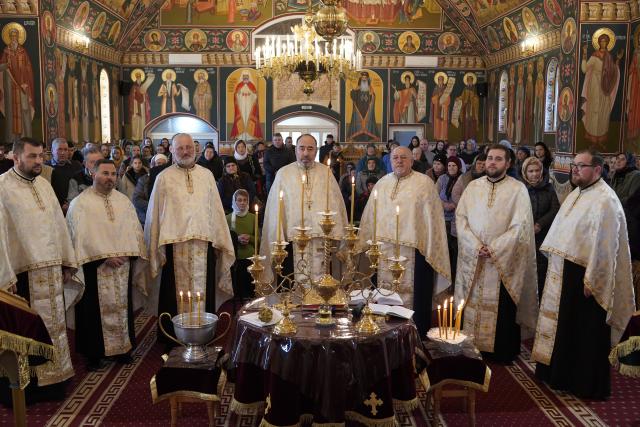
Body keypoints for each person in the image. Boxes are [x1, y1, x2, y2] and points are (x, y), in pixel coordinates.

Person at [533, 149, 635, 399]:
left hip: (586, 279)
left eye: (581, 165)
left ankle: (584, 384)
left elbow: (607, 245)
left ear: (597, 170)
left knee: (584, 331)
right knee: (564, 326)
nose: (575, 169)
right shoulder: (577, 193)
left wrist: (594, 280)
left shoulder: (606, 200)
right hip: (565, 270)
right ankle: (557, 374)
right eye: (574, 165)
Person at [0, 137, 78, 399]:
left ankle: (57, 379)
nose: (38, 161)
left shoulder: (44, 185)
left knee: (55, 325)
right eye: (32, 156)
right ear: (16, 156)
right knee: (26, 331)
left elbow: (59, 224)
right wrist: (5, 274)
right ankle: (29, 390)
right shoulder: (2, 188)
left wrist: (67, 260)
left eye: (40, 156)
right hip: (21, 274)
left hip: (52, 269)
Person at [143, 133, 235, 345]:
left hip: (204, 244)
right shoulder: (163, 178)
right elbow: (155, 214)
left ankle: (204, 333)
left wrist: (220, 239)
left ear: (196, 149)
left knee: (205, 292)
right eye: (180, 148)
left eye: (188, 147)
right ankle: (173, 338)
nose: (185, 151)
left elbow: (216, 211)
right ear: (172, 151)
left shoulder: (207, 176)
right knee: (172, 294)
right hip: (175, 246)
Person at [454, 144, 538, 363]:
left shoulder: (517, 189)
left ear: (508, 163)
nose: (492, 162)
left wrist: (495, 248)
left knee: (502, 307)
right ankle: (470, 345)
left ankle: (500, 351)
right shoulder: (473, 187)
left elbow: (521, 226)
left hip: (502, 260)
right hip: (475, 258)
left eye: (498, 159)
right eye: (490, 158)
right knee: (471, 301)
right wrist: (474, 245)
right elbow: (461, 218)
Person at [357, 146, 451, 335]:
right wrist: (361, 243)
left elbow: (434, 221)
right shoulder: (382, 183)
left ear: (411, 161)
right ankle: (381, 337)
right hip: (382, 252)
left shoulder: (425, 183)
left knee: (417, 299)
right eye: (395, 158)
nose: (399, 161)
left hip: (416, 252)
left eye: (403, 158)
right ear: (390, 161)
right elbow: (369, 216)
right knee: (381, 298)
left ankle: (415, 341)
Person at [66, 159, 146, 370]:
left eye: (113, 174)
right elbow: (78, 239)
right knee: (91, 312)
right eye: (105, 173)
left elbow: (134, 231)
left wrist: (130, 254)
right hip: (94, 268)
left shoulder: (123, 201)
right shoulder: (80, 204)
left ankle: (122, 349)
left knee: (122, 307)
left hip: (122, 266)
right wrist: (103, 257)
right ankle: (94, 354)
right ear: (93, 173)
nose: (110, 178)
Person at [259, 134, 348, 285]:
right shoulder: (283, 174)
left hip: (322, 241)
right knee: (290, 293)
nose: (305, 153)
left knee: (322, 289)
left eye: (310, 149)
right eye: (301, 148)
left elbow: (337, 205)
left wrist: (338, 234)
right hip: (291, 242)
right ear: (295, 150)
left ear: (316, 151)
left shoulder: (326, 173)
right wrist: (278, 235)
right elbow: (275, 210)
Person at [521, 157, 559, 296]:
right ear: (525, 172)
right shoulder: (520, 189)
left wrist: (540, 224)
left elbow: (555, 209)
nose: (534, 174)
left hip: (543, 236)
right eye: (531, 171)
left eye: (537, 170)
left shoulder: (549, 188)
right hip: (524, 235)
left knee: (541, 271)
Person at [581, 34, 623, 147]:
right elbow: (585, 69)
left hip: (605, 87)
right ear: (599, 42)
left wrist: (618, 59)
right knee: (594, 110)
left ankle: (600, 139)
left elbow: (614, 71)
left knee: (603, 112)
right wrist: (584, 54)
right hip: (594, 86)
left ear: (608, 43)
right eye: (602, 41)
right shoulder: (594, 56)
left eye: (605, 41)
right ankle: (593, 140)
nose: (603, 43)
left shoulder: (609, 57)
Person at [0, 28, 35, 139]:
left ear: (18, 37)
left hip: (23, 87)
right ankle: (11, 139)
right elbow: (1, 67)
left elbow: (28, 68)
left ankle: (25, 137)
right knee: (11, 112)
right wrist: (5, 67)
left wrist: (25, 82)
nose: (14, 38)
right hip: (10, 88)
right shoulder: (6, 51)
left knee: (24, 110)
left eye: (15, 36)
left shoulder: (23, 52)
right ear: (10, 37)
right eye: (12, 36)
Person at [226, 189, 258, 300]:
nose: (242, 203)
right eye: (239, 200)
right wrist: (237, 238)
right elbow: (225, 239)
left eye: (245, 200)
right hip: (235, 256)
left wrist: (250, 238)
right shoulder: (228, 218)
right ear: (234, 201)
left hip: (250, 256)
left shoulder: (253, 217)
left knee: (249, 288)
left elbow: (259, 239)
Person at [46, 137, 83, 211]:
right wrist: (60, 206)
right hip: (54, 209)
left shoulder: (77, 165)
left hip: (76, 207)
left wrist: (73, 203)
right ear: (52, 151)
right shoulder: (46, 168)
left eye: (65, 150)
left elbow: (82, 186)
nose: (63, 153)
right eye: (59, 149)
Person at [347, 72, 379, 142]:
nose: (364, 79)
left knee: (368, 121)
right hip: (359, 109)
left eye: (365, 78)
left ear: (368, 79)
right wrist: (352, 91)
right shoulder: (357, 88)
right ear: (360, 79)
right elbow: (353, 97)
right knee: (358, 121)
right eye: (363, 78)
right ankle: (356, 137)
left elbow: (373, 97)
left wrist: (372, 96)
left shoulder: (370, 89)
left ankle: (369, 137)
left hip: (368, 109)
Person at [230, 73, 263, 141]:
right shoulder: (239, 85)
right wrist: (238, 94)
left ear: (249, 78)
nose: (245, 79)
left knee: (249, 119)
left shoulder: (252, 86)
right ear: (242, 78)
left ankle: (250, 137)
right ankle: (240, 136)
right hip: (241, 107)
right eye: (244, 78)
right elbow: (236, 95)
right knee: (242, 119)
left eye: (246, 78)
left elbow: (255, 96)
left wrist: (255, 94)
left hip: (250, 107)